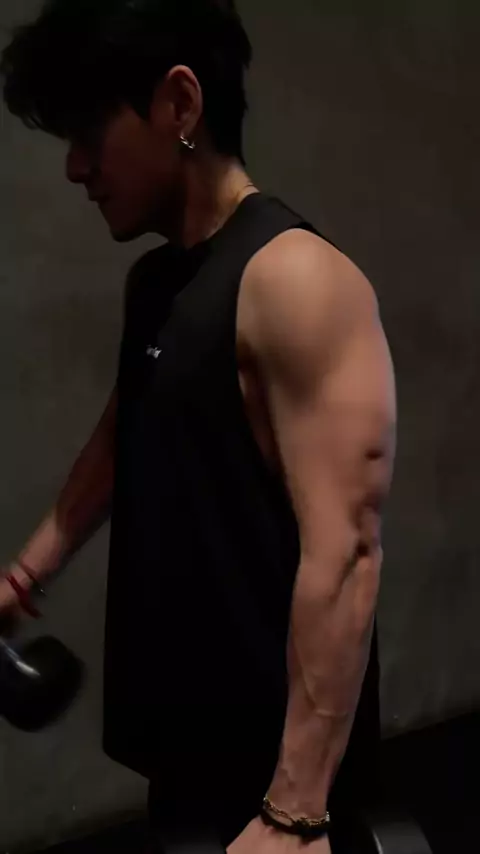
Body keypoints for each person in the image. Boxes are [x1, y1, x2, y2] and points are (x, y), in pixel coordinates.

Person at [0, 1, 396, 852]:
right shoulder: (158, 282)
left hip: (277, 789)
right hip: (189, 762)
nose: (74, 167)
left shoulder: (295, 280)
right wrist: (25, 577)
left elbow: (349, 554)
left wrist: (294, 812)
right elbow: (129, 429)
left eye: (89, 133)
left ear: (179, 104)